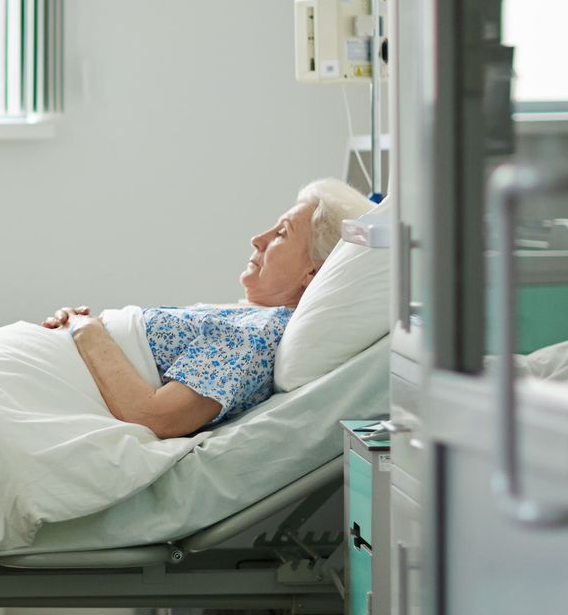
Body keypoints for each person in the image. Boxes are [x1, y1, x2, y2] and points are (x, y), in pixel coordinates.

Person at [39, 178, 370, 439]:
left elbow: (157, 416)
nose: (258, 238)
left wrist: (87, 330)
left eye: (281, 234)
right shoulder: (245, 317)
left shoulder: (254, 333)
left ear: (311, 273)